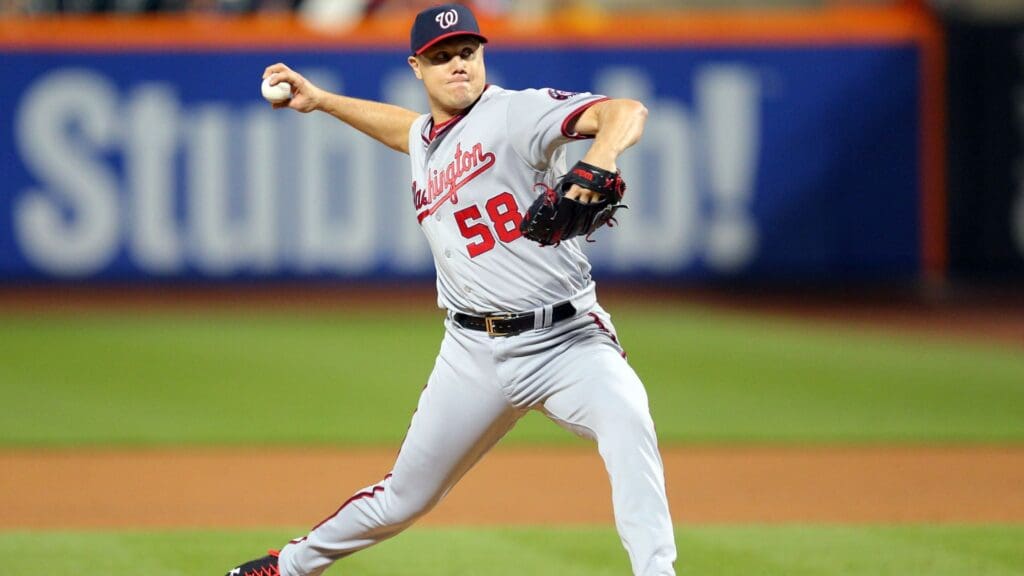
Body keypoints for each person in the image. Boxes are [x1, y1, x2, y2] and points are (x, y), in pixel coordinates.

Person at [226, 4, 676, 575]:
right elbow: (406, 130)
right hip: (473, 353)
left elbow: (625, 110)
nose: (458, 64)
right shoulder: (426, 137)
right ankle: (288, 566)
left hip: (566, 340)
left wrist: (600, 155)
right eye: (442, 57)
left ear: (483, 54)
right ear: (418, 67)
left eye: (467, 52)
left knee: (628, 418)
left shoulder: (516, 111)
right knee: (403, 497)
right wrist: (322, 101)